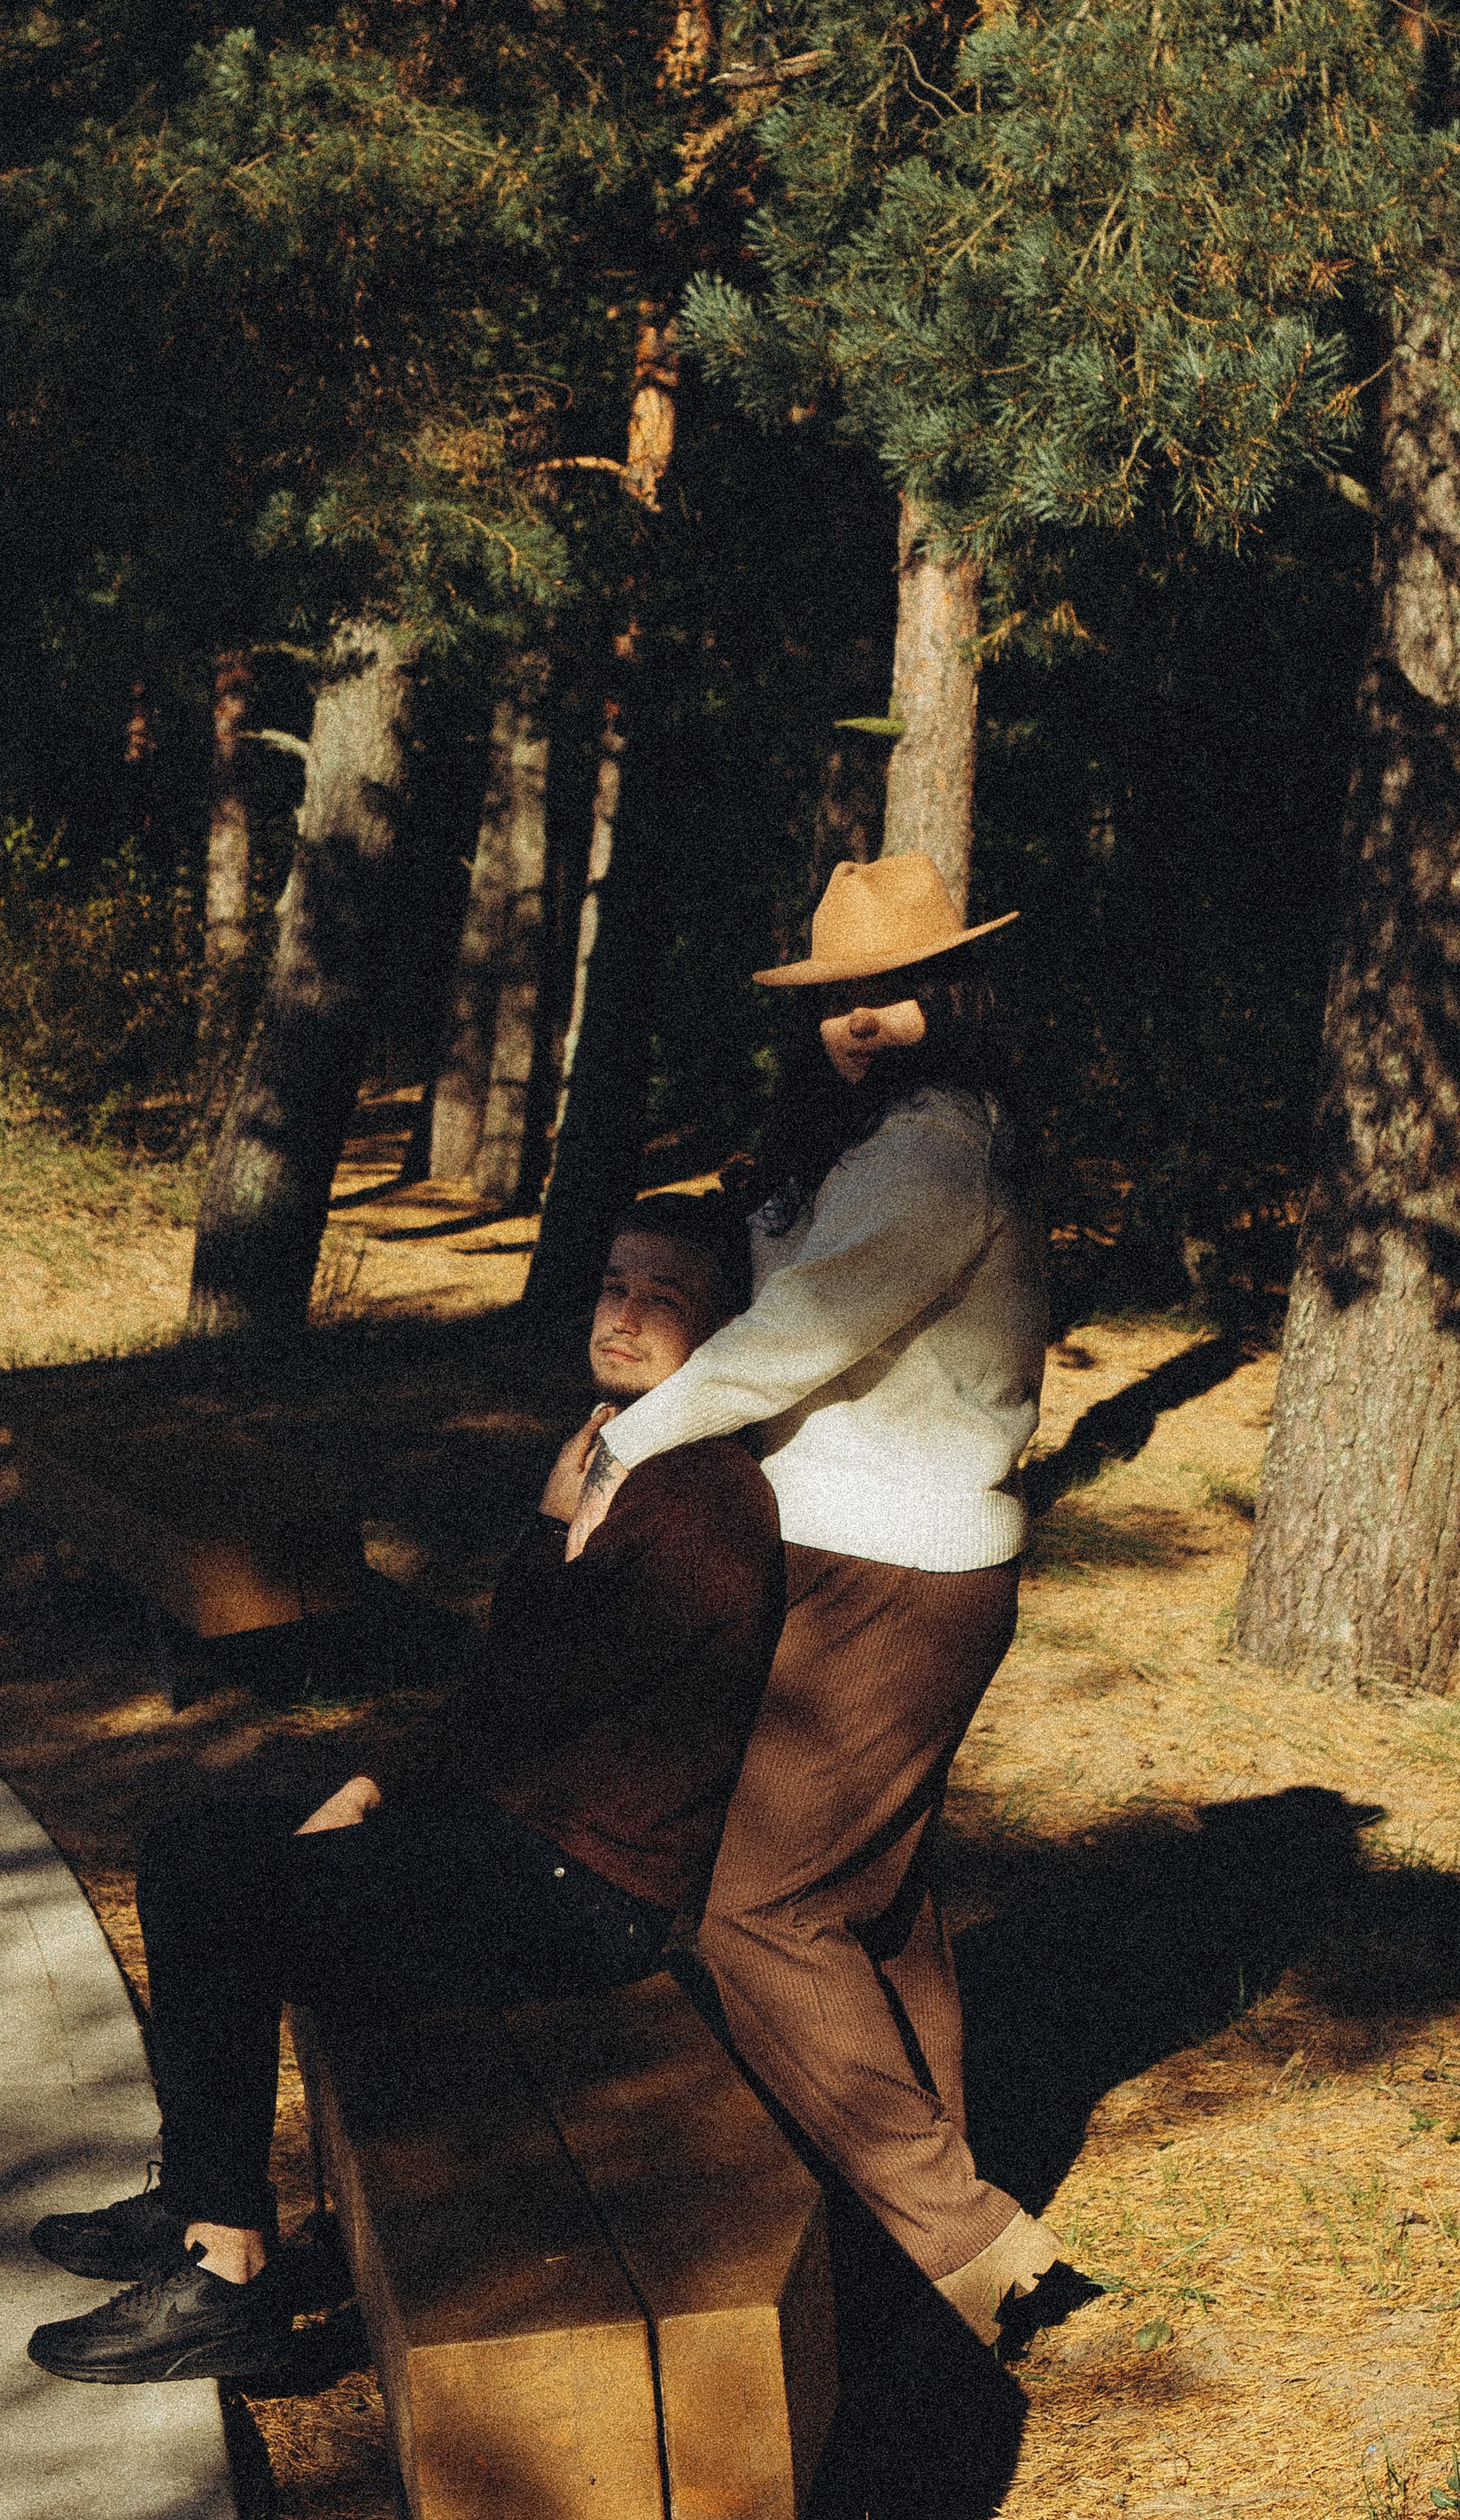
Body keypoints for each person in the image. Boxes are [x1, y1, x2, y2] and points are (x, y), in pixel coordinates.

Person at [26, 1189, 780, 2386]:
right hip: (516, 1834)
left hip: (584, 1890)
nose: (625, 1317)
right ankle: (199, 2203)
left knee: (224, 1892)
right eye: (615, 1287)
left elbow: (537, 1696)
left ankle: (226, 2272)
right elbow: (517, 1694)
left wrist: (385, 1771)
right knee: (186, 1848)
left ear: (726, 1334)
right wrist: (383, 1778)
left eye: (665, 1299)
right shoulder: (627, 1454)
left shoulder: (701, 1501)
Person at [564, 849, 1058, 2351]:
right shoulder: (875, 1139)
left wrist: (622, 1447)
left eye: (898, 993)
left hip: (899, 1567)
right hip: (859, 1552)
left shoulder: (932, 1152)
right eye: (844, 998)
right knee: (868, 1901)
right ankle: (916, 2206)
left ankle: (971, 2248)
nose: (866, 1019)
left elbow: (804, 1334)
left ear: (952, 995)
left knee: (756, 1905)